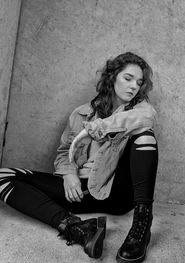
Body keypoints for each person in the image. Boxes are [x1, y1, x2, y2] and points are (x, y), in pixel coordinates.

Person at [0, 52, 158, 262]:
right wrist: (69, 174)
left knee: (145, 136)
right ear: (112, 77)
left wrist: (101, 126)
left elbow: (148, 117)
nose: (133, 86)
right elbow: (65, 152)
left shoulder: (140, 110)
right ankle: (78, 227)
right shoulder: (81, 113)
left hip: (118, 192)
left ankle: (142, 226)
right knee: (3, 176)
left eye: (138, 82)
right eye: (127, 78)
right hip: (83, 190)